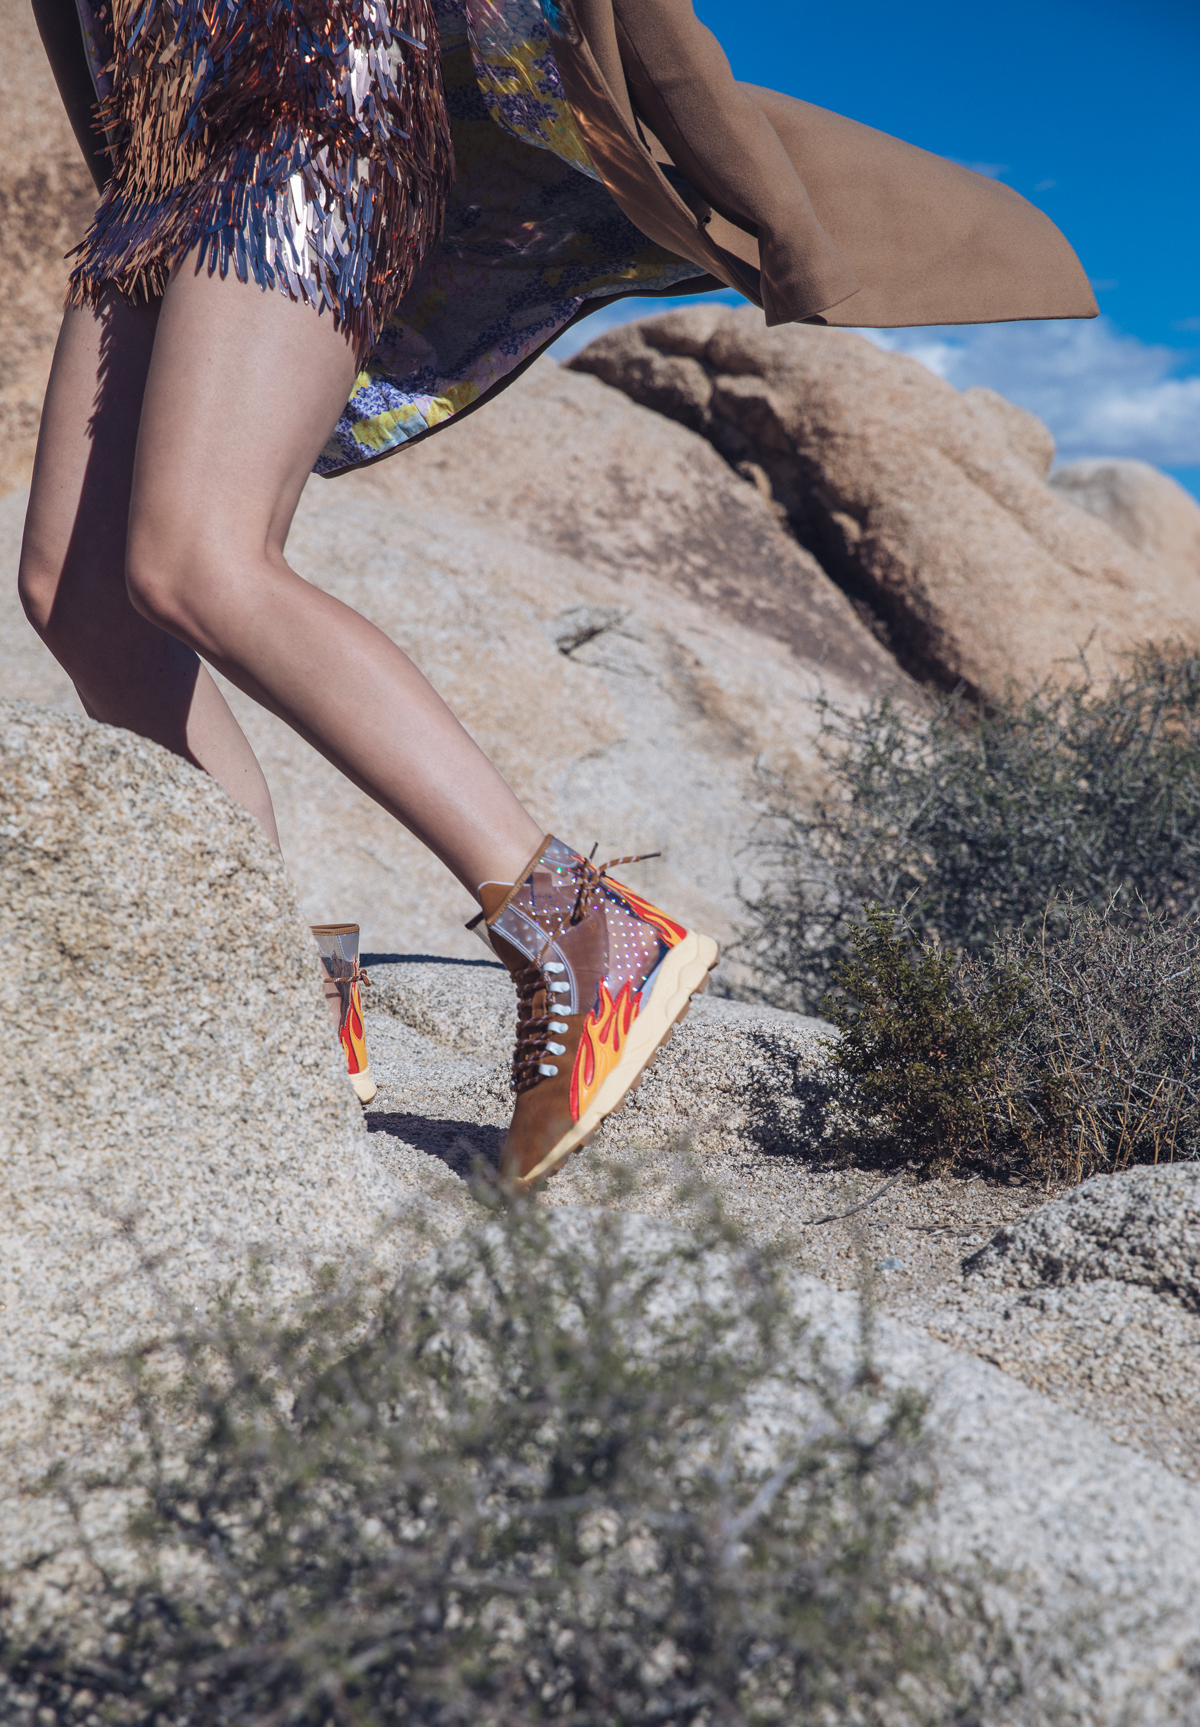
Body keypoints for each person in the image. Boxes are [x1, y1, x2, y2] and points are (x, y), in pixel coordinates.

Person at [21, 0, 1096, 1186]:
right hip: (161, 154)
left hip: (308, 97)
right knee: (78, 594)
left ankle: (584, 932)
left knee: (198, 558)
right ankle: (277, 985)